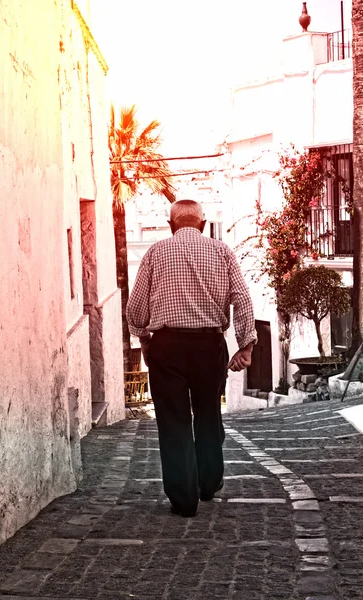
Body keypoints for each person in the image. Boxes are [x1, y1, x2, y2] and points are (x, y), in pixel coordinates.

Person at [126, 199, 257, 517]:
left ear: (171, 224)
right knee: (209, 414)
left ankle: (184, 500)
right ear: (202, 223)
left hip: (168, 346)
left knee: (174, 422)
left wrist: (144, 338)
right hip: (209, 346)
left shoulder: (155, 252)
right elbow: (241, 296)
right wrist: (246, 344)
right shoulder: (222, 251)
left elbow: (136, 308)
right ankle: (209, 483)